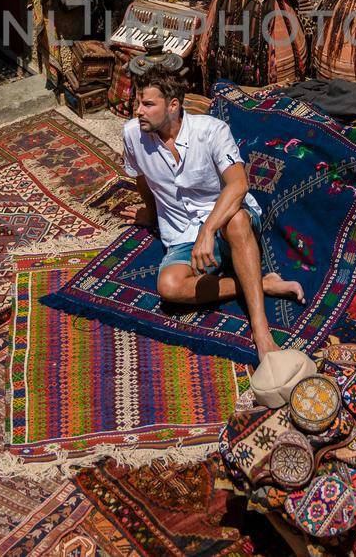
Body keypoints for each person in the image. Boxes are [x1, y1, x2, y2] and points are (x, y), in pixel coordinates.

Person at [121, 72, 305, 359]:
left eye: (147, 104)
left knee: (238, 220)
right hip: (181, 233)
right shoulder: (133, 134)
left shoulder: (211, 131)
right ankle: (259, 282)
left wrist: (208, 230)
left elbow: (239, 184)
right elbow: (142, 177)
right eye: (137, 103)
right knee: (169, 287)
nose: (138, 111)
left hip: (224, 224)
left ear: (172, 105)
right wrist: (151, 213)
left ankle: (260, 329)